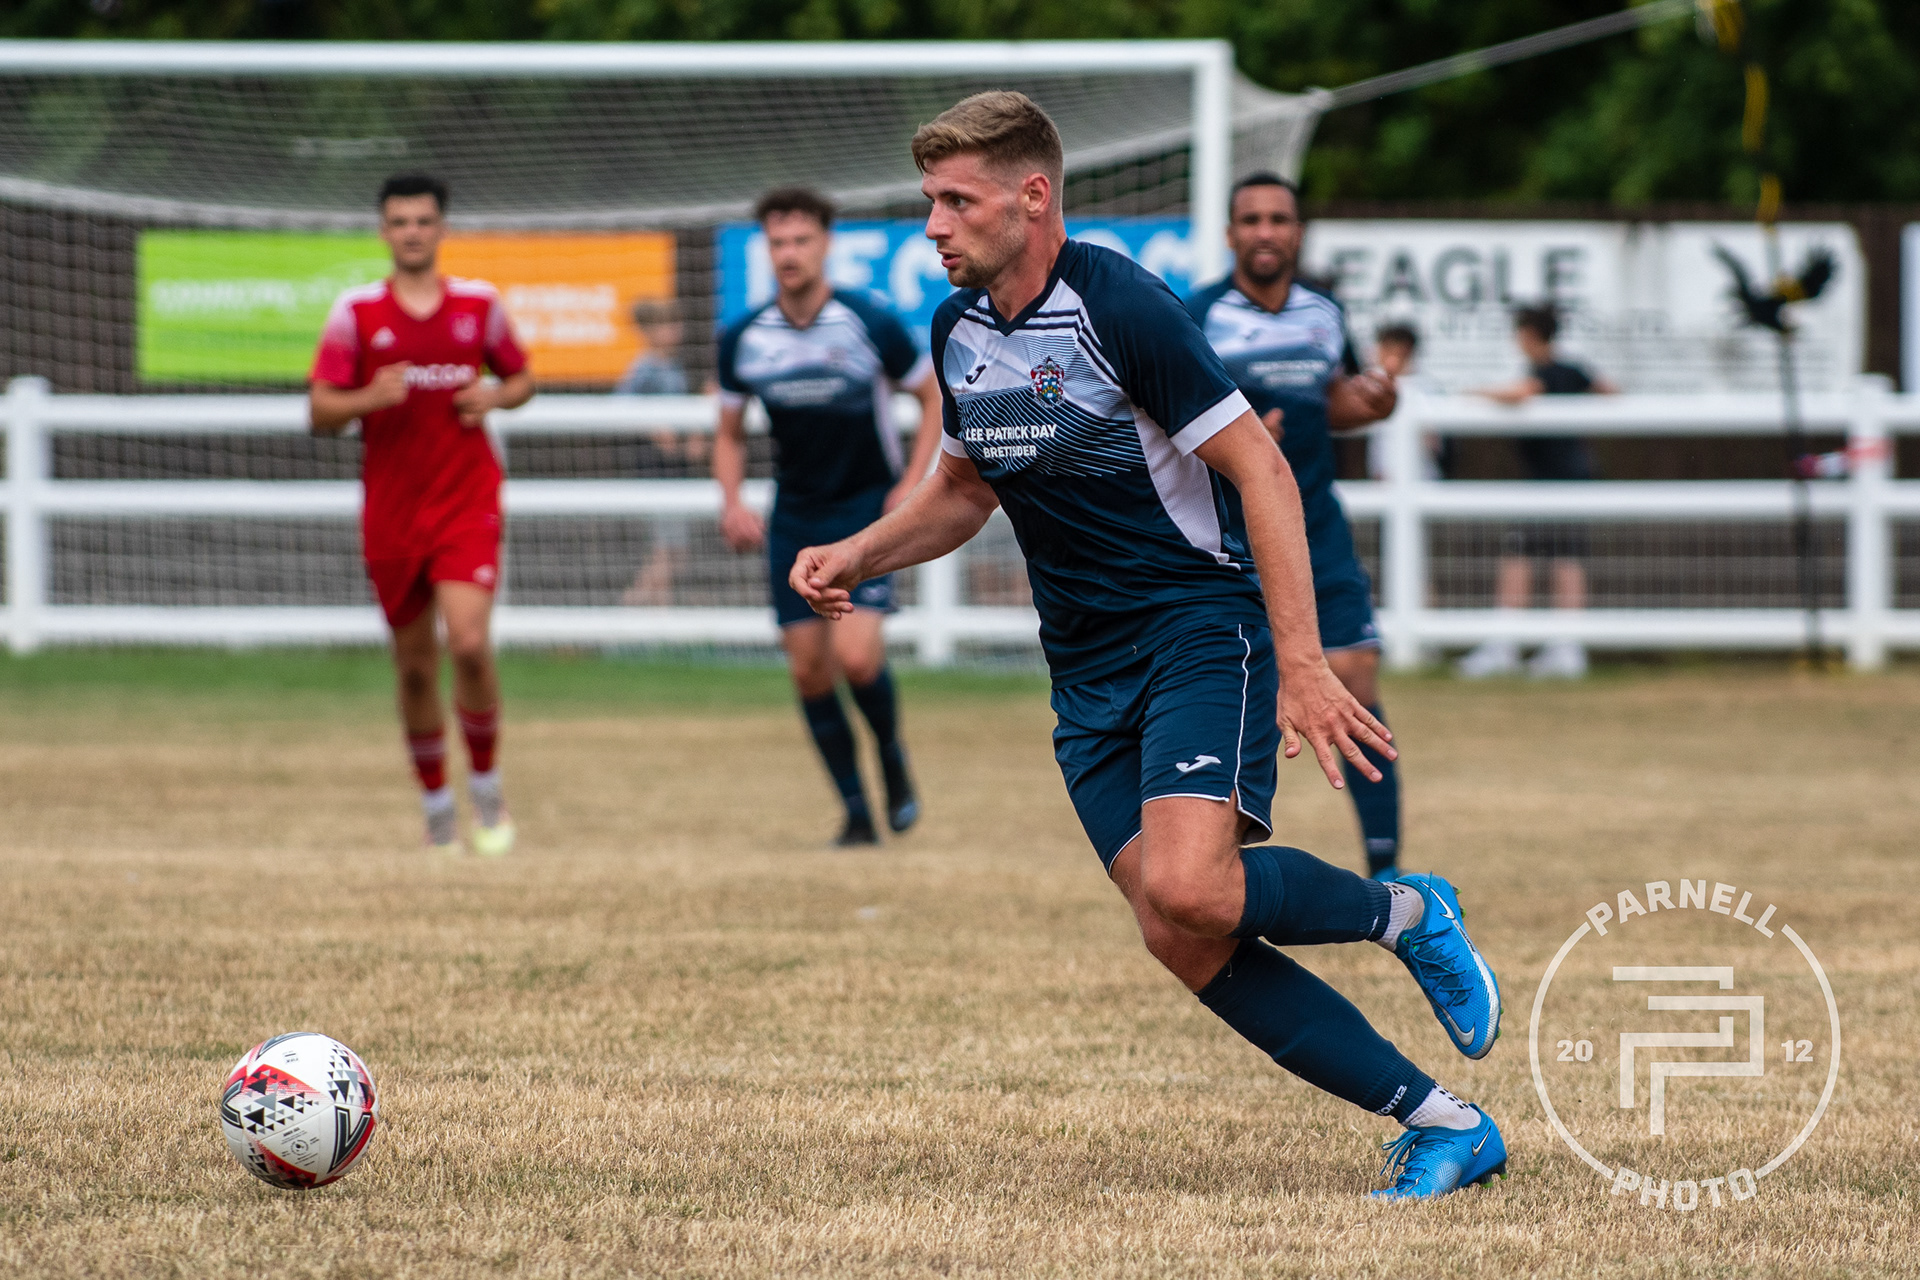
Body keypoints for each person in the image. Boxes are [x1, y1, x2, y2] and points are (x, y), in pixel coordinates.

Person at [790, 92, 1506, 1199]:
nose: (933, 224)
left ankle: (1405, 911)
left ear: (1032, 198)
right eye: (930, 199)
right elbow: (966, 491)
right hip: (1083, 669)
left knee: (1194, 887)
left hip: (1196, 629)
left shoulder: (1122, 308)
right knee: (1179, 931)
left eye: (956, 201)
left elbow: (1262, 470)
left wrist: (1302, 660)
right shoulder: (958, 328)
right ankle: (1445, 1122)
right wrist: (860, 551)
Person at [1186, 175, 1405, 881]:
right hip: (1230, 535)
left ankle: (1388, 872)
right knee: (1237, 702)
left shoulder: (1325, 312)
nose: (1265, 231)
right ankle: (1215, 870)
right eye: (1251, 219)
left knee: (1356, 678)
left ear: (1297, 233)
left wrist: (1372, 402)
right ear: (1231, 235)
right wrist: (1243, 443)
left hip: (1316, 527)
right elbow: (1169, 425)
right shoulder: (1197, 316)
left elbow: (1334, 400)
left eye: (1278, 219)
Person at [309, 173, 534, 855]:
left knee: (467, 643)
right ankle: (438, 807)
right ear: (384, 231)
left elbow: (522, 378)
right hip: (393, 511)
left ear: (442, 229)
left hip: (466, 501)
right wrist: (367, 399)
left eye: (423, 220)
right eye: (400, 221)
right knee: (413, 666)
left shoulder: (479, 305)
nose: (412, 232)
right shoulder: (356, 313)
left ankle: (487, 790)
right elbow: (320, 410)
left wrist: (494, 397)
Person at [716, 187, 946, 846]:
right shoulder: (744, 338)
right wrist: (731, 500)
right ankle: (855, 813)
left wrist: (910, 484)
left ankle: (892, 759)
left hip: (865, 511)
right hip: (794, 515)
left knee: (857, 658)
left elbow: (932, 397)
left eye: (801, 240)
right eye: (778, 242)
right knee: (808, 671)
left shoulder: (867, 322)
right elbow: (728, 432)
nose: (789, 253)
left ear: (825, 244)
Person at [1461, 305, 1618, 680]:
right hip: (1573, 476)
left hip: (1550, 480)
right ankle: (1566, 647)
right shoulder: (1574, 370)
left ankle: (1508, 645)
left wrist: (1474, 393)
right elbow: (1609, 391)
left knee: (1521, 555)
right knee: (1565, 556)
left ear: (1530, 335)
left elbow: (1523, 393)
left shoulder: (1546, 372)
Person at [614, 298, 706, 607]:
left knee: (674, 551)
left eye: (675, 324)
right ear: (649, 331)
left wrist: (693, 435)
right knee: (667, 549)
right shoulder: (644, 369)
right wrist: (655, 428)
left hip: (676, 470)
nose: (674, 331)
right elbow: (621, 406)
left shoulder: (674, 368)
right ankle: (633, 612)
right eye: (666, 325)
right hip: (655, 470)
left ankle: (653, 614)